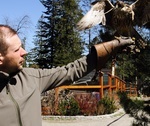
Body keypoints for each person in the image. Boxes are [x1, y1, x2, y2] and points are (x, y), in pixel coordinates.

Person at [0, 24, 134, 126]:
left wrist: (108, 49)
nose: (24, 52)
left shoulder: (32, 78)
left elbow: (70, 70)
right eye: (17, 50)